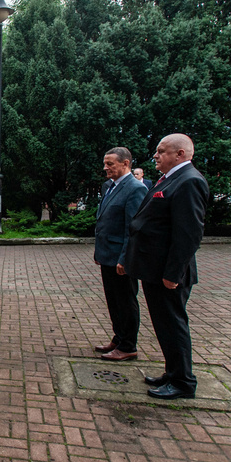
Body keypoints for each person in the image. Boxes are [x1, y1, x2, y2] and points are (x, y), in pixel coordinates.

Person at [125, 134, 209, 400]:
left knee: (173, 325)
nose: (156, 156)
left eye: (161, 152)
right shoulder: (171, 178)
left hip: (167, 273)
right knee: (164, 325)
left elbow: (189, 234)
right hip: (154, 269)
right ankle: (172, 372)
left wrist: (173, 273)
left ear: (180, 154)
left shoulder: (189, 181)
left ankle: (184, 382)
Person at [93, 147, 148, 362]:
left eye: (110, 164)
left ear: (125, 164)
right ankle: (119, 337)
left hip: (120, 259)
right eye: (105, 163)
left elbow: (132, 228)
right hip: (108, 255)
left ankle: (128, 345)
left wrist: (125, 258)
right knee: (113, 300)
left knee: (125, 301)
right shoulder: (112, 186)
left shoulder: (134, 189)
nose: (105, 168)